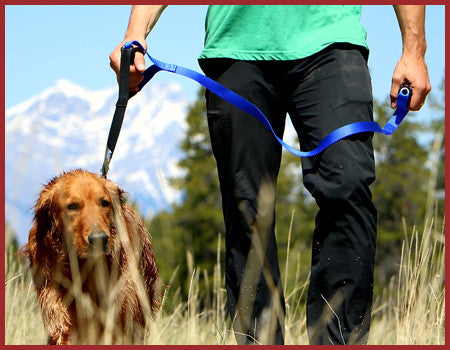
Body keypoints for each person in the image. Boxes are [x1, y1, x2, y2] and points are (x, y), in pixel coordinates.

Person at [110, 5, 431, 345]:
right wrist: (135, 33)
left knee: (349, 183)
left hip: (331, 40)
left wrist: (414, 49)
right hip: (235, 46)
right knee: (247, 208)